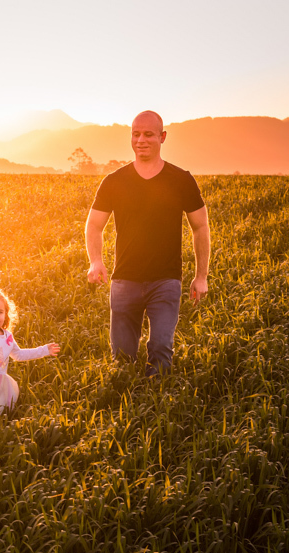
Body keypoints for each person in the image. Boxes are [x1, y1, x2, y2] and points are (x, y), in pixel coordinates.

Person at [85, 111, 210, 375]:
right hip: (124, 280)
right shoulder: (114, 181)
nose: (141, 140)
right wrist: (96, 260)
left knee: (161, 349)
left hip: (166, 281)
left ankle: (158, 409)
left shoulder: (181, 180)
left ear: (162, 137)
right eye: (136, 134)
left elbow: (200, 227)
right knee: (122, 358)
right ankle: (126, 409)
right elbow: (94, 225)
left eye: (149, 134)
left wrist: (201, 276)